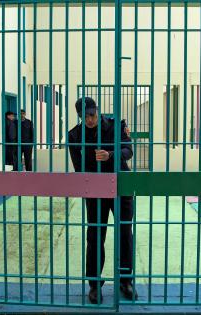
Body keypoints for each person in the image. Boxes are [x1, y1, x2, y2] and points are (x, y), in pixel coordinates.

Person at [68, 97, 137, 304]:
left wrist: (111, 155)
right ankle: (94, 284)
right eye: (84, 116)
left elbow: (128, 150)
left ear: (97, 111)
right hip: (96, 190)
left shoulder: (116, 126)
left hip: (120, 187)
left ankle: (125, 281)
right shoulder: (75, 135)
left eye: (91, 114)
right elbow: (78, 167)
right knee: (96, 235)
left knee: (125, 233)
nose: (89, 120)